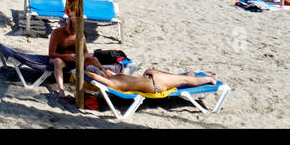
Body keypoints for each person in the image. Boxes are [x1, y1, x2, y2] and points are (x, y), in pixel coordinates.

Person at [47, 15, 103, 97]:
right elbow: (51, 53)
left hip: (75, 60)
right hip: (61, 59)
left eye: (76, 29)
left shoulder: (80, 34)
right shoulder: (57, 33)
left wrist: (82, 58)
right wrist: (66, 56)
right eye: (72, 29)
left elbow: (86, 52)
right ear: (66, 25)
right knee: (58, 61)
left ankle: (104, 84)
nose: (74, 32)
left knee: (94, 60)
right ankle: (61, 89)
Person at [85, 65, 217, 95]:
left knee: (150, 70)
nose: (103, 71)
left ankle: (185, 77)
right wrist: (87, 72)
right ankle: (210, 79)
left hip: (150, 79)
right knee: (184, 80)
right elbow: (94, 76)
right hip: (155, 85)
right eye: (100, 72)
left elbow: (125, 79)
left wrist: (105, 71)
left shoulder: (113, 78)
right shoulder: (111, 82)